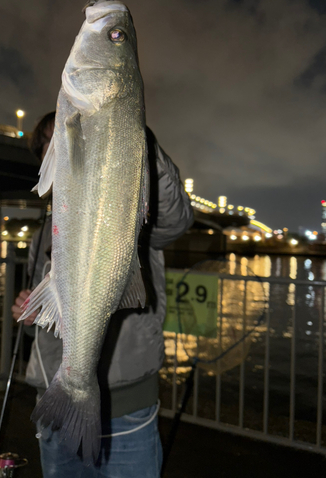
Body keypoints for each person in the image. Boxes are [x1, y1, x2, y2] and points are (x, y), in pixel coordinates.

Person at [12, 112, 194, 477]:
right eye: (50, 141)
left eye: (64, 132)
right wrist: (31, 316)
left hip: (127, 411)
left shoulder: (129, 203)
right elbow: (40, 322)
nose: (61, 143)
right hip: (57, 400)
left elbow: (175, 220)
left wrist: (134, 138)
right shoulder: (41, 236)